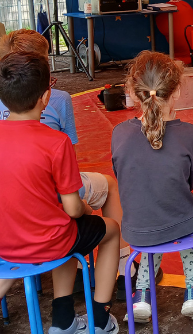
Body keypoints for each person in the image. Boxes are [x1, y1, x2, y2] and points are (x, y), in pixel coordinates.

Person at [0, 29, 136, 299]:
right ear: (45, 92)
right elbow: (69, 190)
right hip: (52, 222)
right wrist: (83, 208)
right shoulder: (58, 110)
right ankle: (115, 284)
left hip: (9, 225)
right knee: (106, 194)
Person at [112, 51, 193, 323]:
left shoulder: (119, 133)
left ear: (134, 93)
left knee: (156, 226)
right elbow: (190, 181)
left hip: (136, 228)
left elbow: (123, 176)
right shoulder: (190, 133)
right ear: (178, 91)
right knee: (187, 214)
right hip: (179, 222)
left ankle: (142, 295)